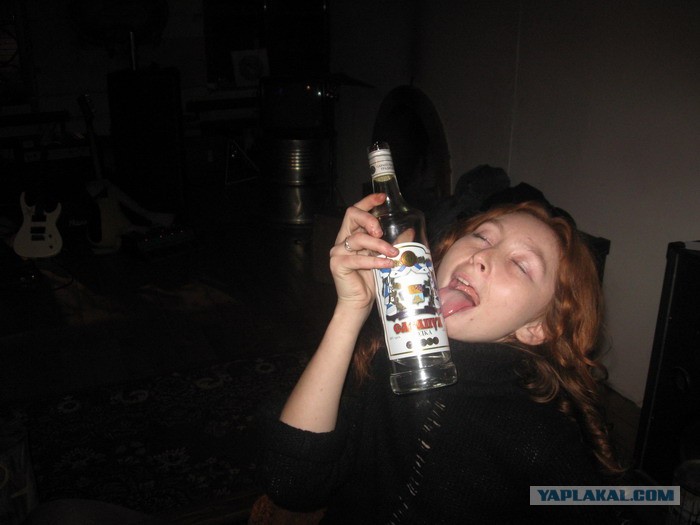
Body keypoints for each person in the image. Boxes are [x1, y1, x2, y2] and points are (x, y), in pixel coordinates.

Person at [256, 194, 624, 524]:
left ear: (537, 328)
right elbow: (293, 485)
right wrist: (351, 310)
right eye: (482, 237)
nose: (481, 257)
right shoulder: (385, 355)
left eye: (521, 265)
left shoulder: (541, 437)